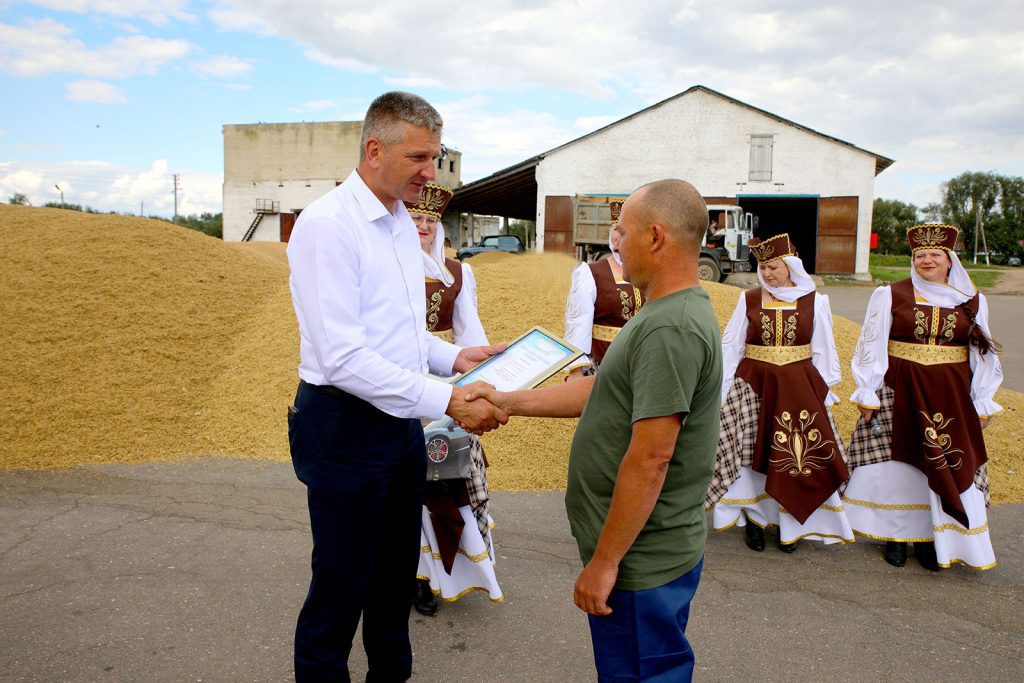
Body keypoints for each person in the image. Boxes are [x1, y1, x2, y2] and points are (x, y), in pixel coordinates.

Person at [285, 91, 507, 682]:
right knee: (340, 588)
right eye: (419, 157)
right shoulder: (328, 226)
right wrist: (448, 399)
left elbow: (402, 337)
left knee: (392, 585)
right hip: (344, 426)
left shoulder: (402, 223)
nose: (430, 173)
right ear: (374, 149)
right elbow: (344, 358)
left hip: (399, 424)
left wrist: (459, 355)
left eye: (435, 158)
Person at [467, 179, 722, 681]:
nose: (615, 243)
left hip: (639, 562)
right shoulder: (662, 312)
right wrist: (508, 400)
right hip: (637, 554)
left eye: (621, 232)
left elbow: (651, 460)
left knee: (641, 672)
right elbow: (603, 390)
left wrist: (604, 565)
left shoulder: (671, 327)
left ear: (655, 237)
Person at [844, 223, 1002, 571]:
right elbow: (870, 344)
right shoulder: (890, 295)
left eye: (934, 255)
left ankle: (934, 539)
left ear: (949, 260)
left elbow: (982, 355)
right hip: (898, 392)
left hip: (951, 399)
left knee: (944, 463)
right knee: (897, 467)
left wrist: (983, 401)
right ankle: (896, 537)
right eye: (920, 255)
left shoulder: (972, 302)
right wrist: (867, 391)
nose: (926, 260)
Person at [706, 233, 853, 553]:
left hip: (799, 390)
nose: (768, 273)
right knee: (749, 458)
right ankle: (756, 522)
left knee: (795, 458)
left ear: (790, 266)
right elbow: (731, 347)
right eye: (763, 267)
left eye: (774, 266)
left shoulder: (816, 300)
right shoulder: (748, 299)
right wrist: (723, 392)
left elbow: (823, 350)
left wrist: (822, 392)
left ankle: (792, 526)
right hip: (752, 387)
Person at [405, 182, 503, 616]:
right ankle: (413, 574)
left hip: (446, 378)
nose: (424, 227)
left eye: (430, 220)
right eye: (415, 218)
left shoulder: (458, 272)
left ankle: (447, 567)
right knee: (411, 481)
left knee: (449, 475)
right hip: (401, 380)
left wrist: (483, 383)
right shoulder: (387, 268)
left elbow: (471, 334)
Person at [563, 199, 645, 378]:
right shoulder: (590, 273)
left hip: (643, 365)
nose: (621, 234)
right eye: (617, 228)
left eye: (628, 229)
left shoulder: (650, 273)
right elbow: (578, 325)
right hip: (603, 366)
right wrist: (576, 371)